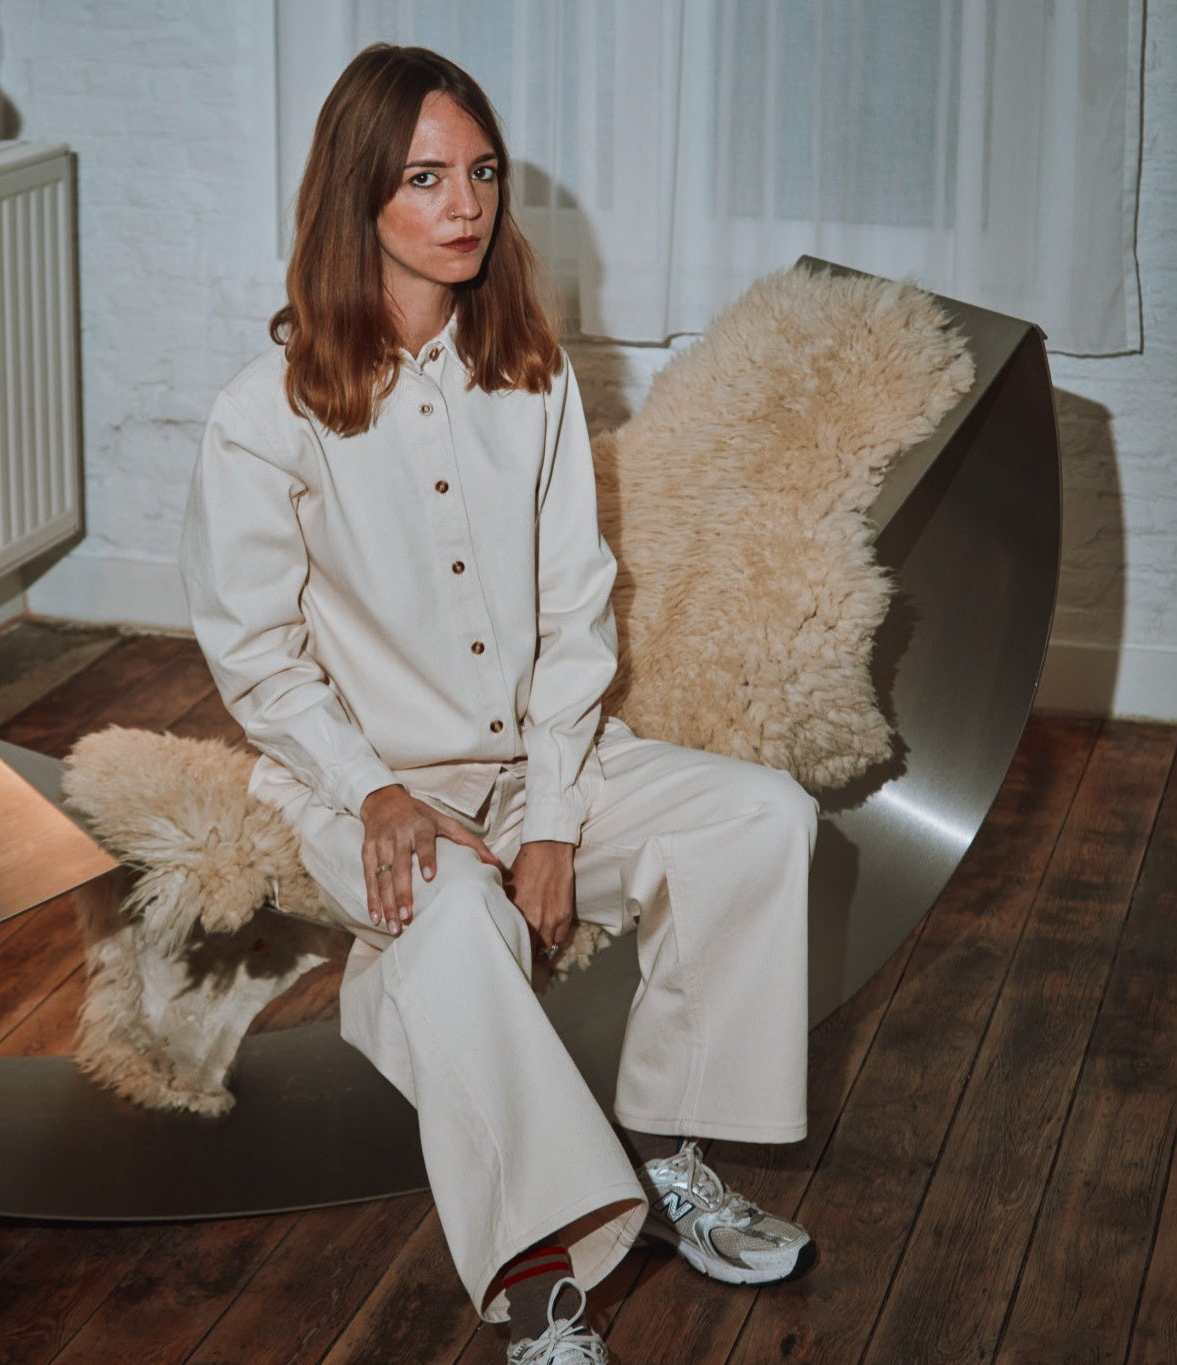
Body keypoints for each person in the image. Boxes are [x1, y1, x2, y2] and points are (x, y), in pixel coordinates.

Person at [181, 43, 818, 1365]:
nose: (463, 204)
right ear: (357, 194)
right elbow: (257, 658)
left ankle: (665, 1155)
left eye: (480, 173)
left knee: (759, 817)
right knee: (457, 924)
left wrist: (555, 815)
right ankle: (541, 1285)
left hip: (537, 760)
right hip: (364, 785)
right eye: (424, 178)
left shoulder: (529, 372)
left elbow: (577, 609)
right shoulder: (264, 415)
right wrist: (373, 791)